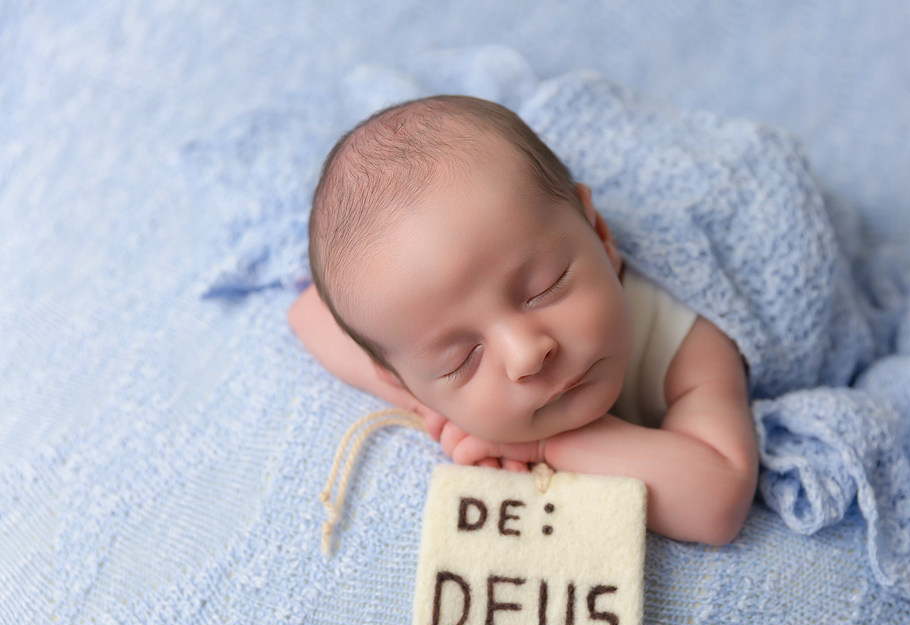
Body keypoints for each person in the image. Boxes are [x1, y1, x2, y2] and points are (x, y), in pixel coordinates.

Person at [289, 95, 758, 546]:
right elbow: (308, 312)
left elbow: (720, 498)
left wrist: (543, 447)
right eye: (461, 360)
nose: (528, 354)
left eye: (544, 287)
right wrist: (433, 405)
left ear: (599, 235)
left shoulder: (683, 337)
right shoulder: (413, 360)